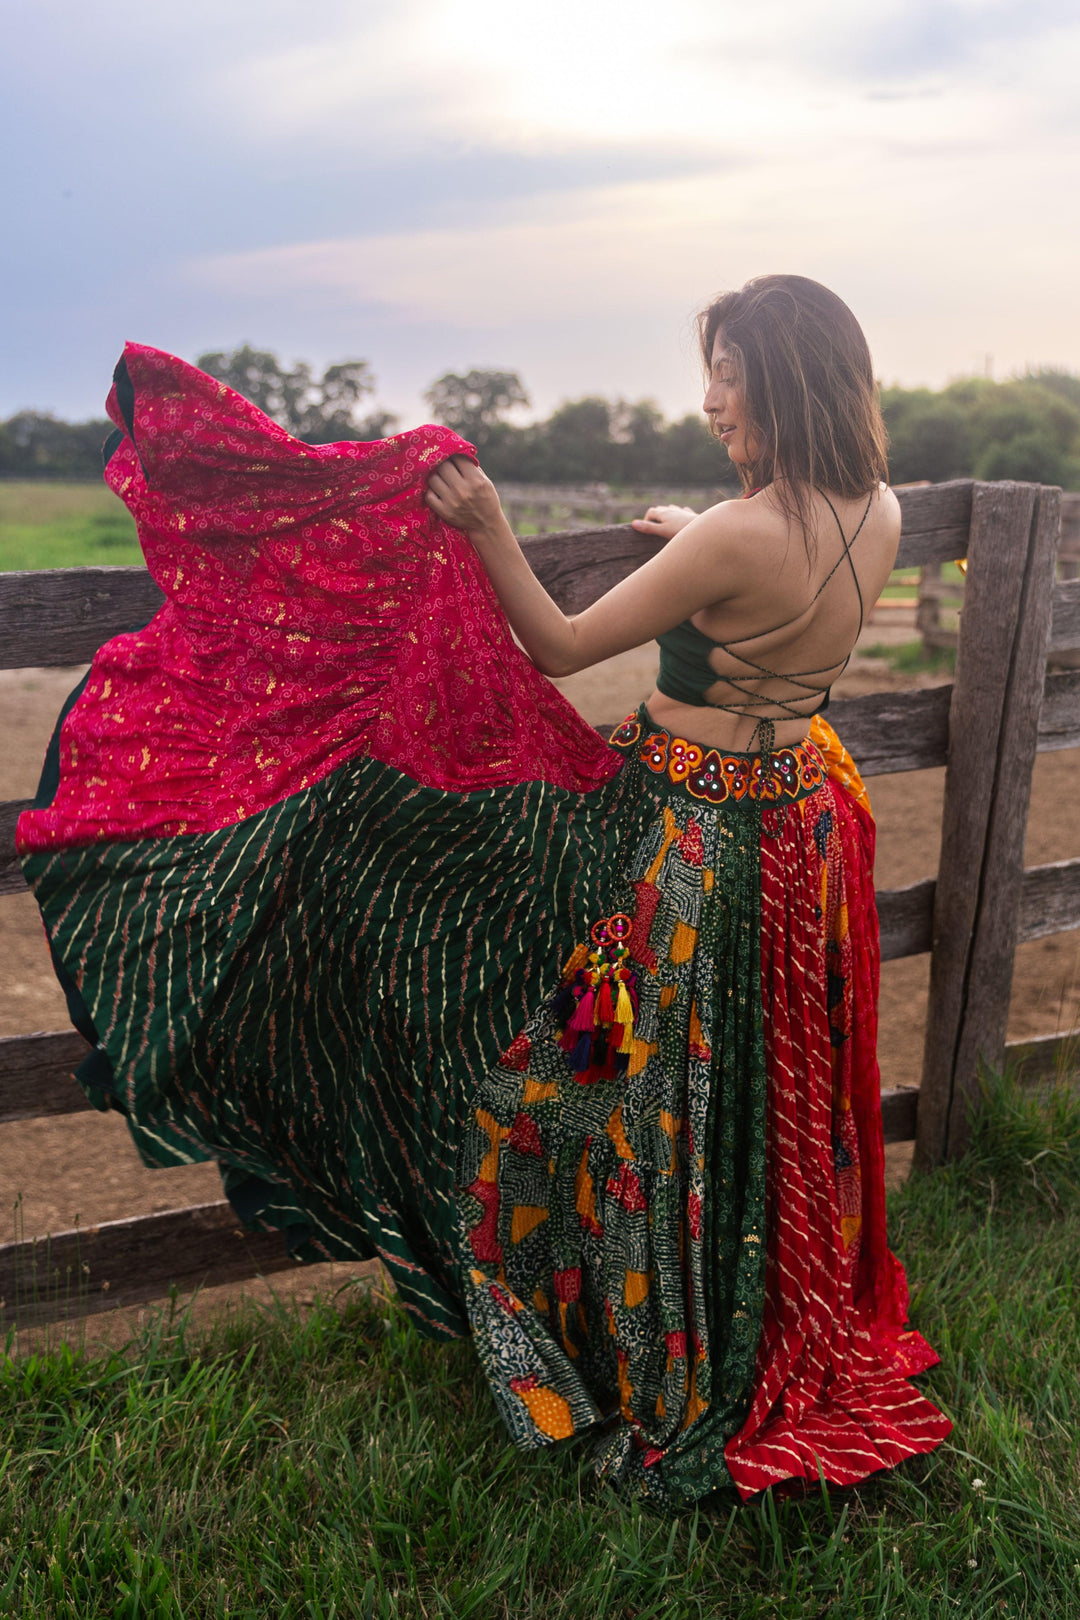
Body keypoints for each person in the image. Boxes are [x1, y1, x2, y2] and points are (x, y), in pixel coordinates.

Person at [19, 274, 950, 1507]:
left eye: (727, 373)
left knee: (601, 1078)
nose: (712, 398)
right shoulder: (869, 508)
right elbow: (773, 585)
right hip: (792, 840)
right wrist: (697, 545)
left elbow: (558, 651)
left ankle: (619, 1334)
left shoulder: (740, 535)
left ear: (782, 376)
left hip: (679, 861)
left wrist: (489, 525)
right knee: (735, 1089)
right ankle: (723, 1307)